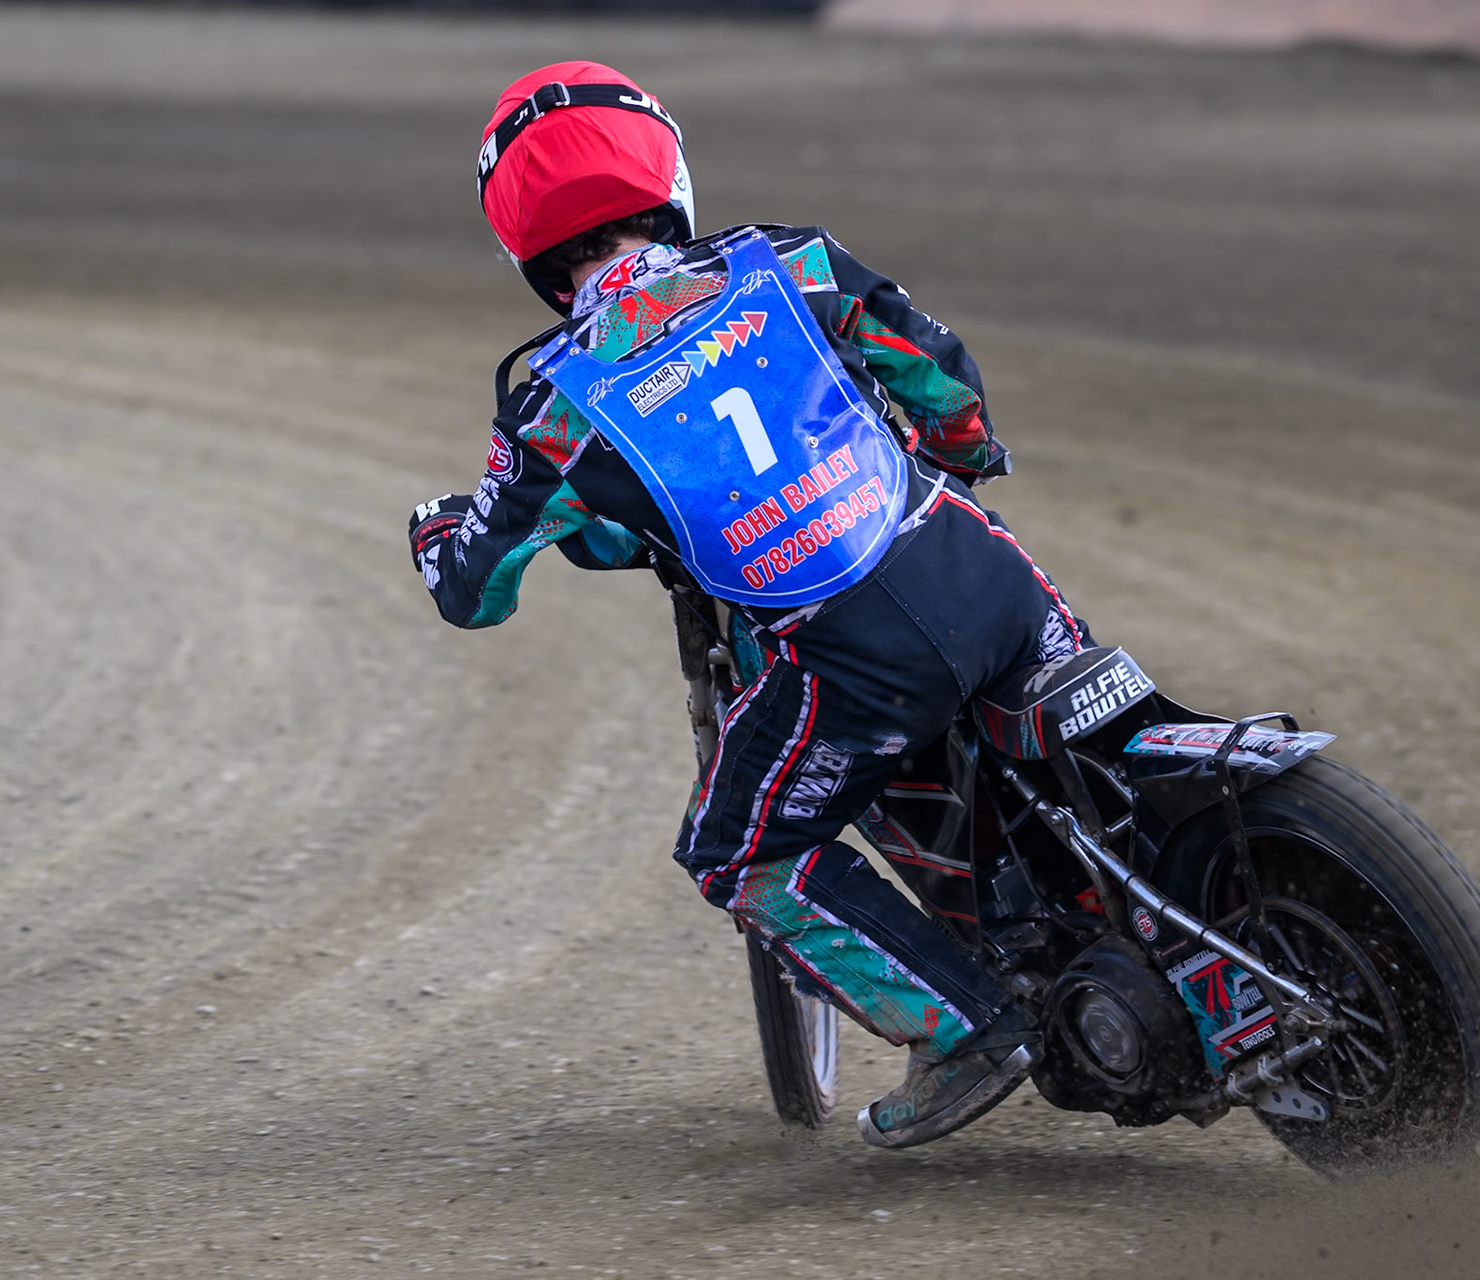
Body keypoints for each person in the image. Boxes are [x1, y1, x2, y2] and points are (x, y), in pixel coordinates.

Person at [409, 61, 1089, 1148]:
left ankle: (963, 1026)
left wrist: (434, 530)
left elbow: (474, 591)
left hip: (852, 661)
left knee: (737, 849)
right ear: (663, 171)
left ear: (523, 239)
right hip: (985, 572)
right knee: (1095, 728)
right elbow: (940, 380)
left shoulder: (554, 399)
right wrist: (969, 452)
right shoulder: (789, 259)